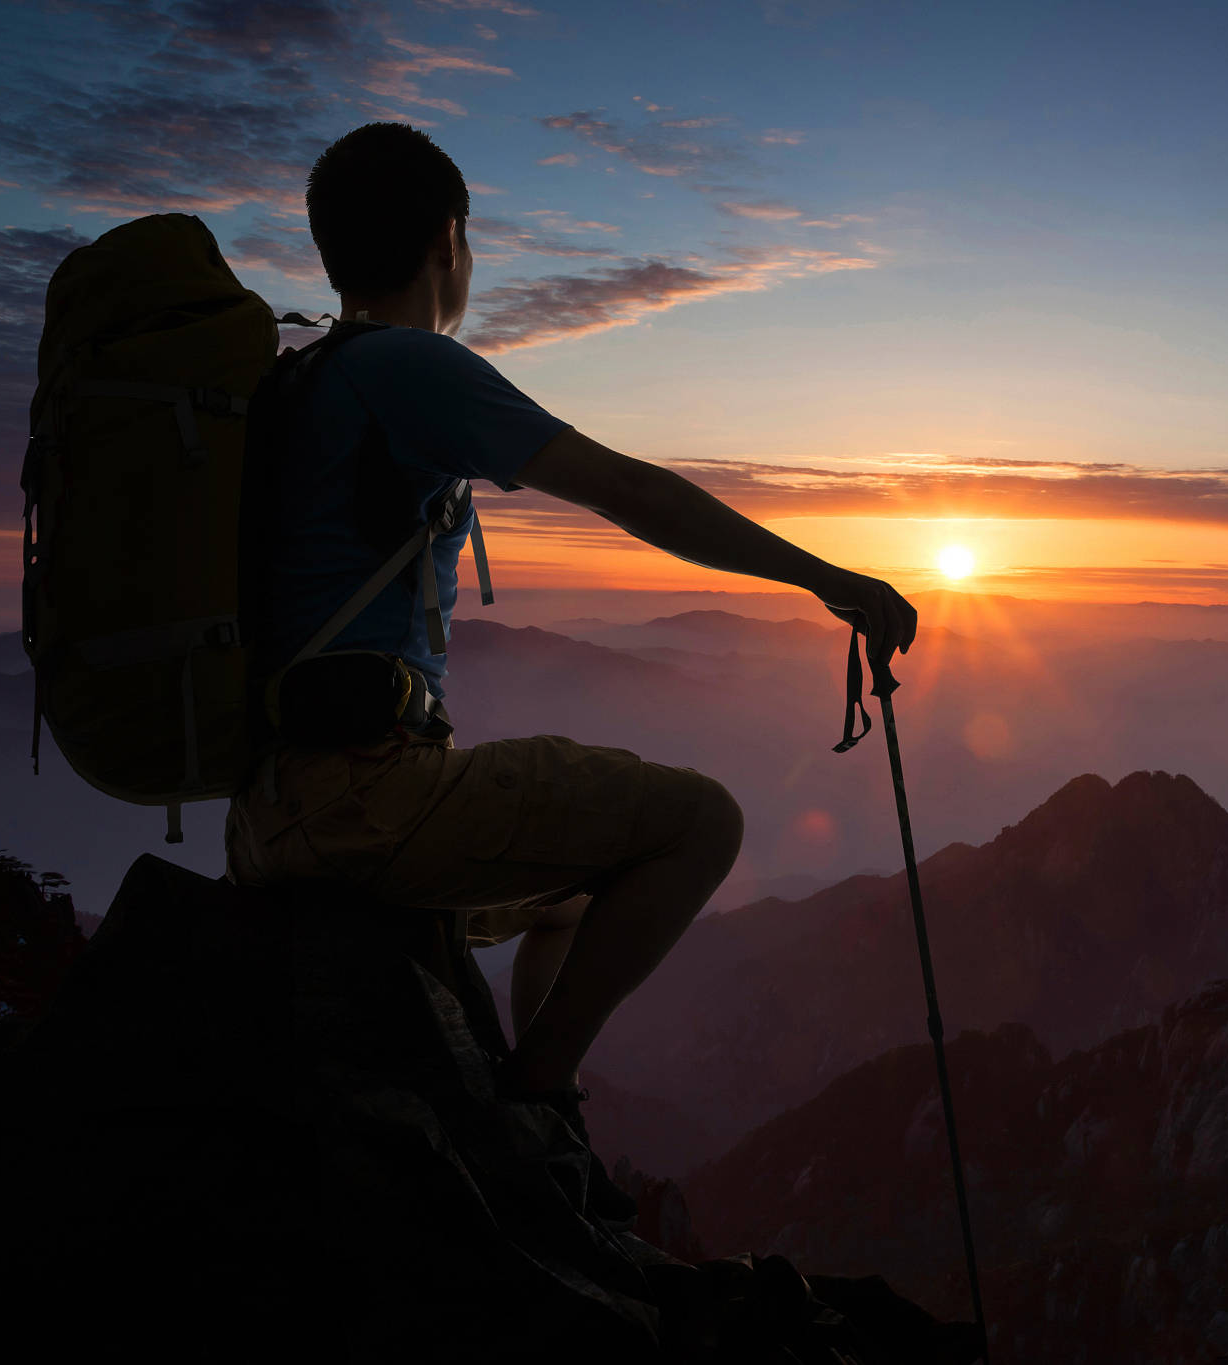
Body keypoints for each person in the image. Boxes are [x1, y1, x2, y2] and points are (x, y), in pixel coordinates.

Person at [223, 123, 917, 1216]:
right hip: (367, 798)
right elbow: (631, 493)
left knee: (564, 905)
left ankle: (531, 1105)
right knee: (700, 824)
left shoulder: (305, 379)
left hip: (272, 808)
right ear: (450, 240)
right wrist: (826, 578)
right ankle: (531, 1106)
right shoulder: (409, 366)